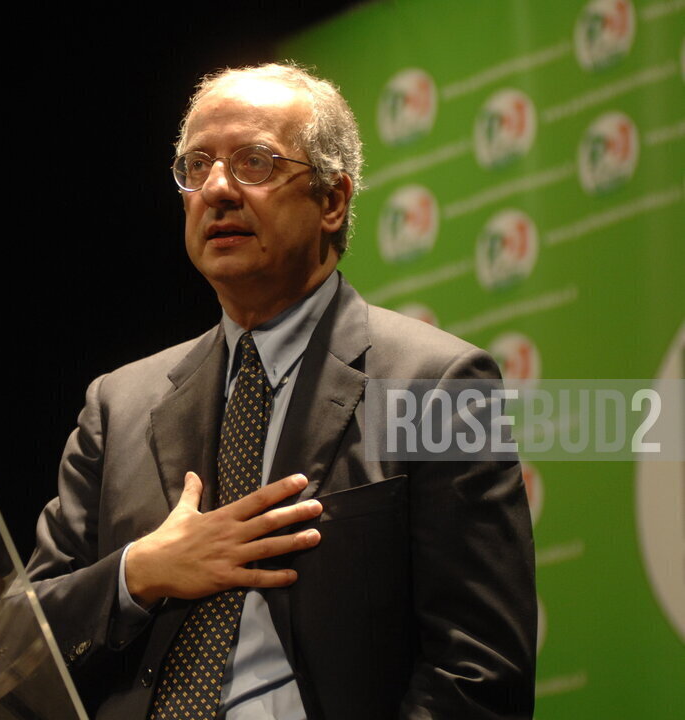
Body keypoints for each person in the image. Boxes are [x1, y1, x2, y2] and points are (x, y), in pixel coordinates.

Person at [26, 62, 536, 720]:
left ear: (332, 200)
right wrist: (139, 571)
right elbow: (18, 640)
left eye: (255, 162)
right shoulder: (118, 404)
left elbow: (479, 667)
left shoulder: (435, 384)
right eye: (196, 165)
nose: (216, 189)